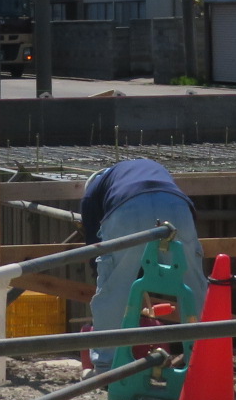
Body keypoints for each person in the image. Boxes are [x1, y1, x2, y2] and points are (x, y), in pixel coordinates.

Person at [80, 157, 204, 372]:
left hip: (127, 209)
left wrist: (108, 273)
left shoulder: (92, 192)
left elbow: (95, 247)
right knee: (193, 286)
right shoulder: (146, 168)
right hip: (176, 206)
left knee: (114, 290)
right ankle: (206, 359)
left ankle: (106, 367)